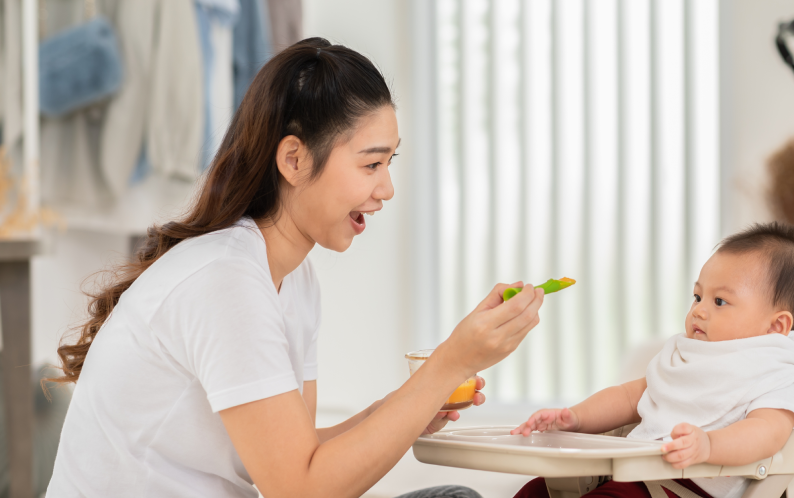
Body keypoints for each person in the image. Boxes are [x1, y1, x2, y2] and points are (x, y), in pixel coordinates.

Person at [46, 39, 546, 498]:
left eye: (390, 162)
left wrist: (411, 406)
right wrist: (448, 365)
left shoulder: (294, 279)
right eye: (371, 165)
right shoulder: (226, 280)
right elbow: (299, 490)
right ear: (294, 160)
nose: (387, 188)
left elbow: (299, 455)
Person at [510, 223, 794, 498]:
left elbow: (767, 433)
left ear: (776, 326)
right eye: (698, 296)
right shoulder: (686, 353)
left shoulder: (778, 371)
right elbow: (631, 396)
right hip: (632, 470)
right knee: (537, 490)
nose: (699, 309)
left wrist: (709, 445)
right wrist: (575, 417)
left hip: (686, 486)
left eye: (720, 301)